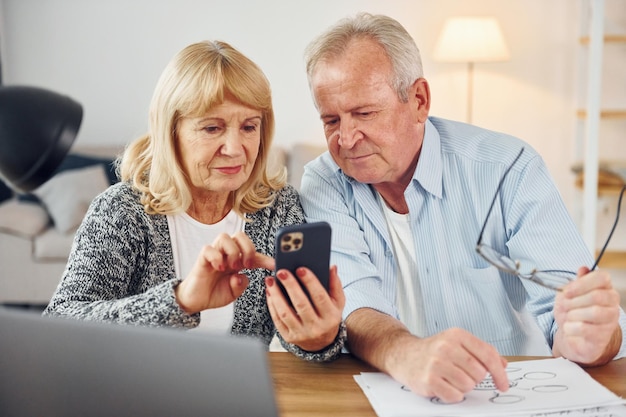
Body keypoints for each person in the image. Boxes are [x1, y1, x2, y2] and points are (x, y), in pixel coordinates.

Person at [299, 12, 626, 402]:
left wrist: (591, 339)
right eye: (331, 120)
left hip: (504, 395)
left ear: (419, 100)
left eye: (365, 113)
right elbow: (353, 304)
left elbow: (571, 312)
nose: (346, 138)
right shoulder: (322, 181)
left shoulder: (509, 167)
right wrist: (408, 353)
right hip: (378, 393)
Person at [43, 40, 346, 362]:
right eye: (212, 128)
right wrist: (181, 300)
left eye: (248, 127)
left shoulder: (278, 207)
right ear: (170, 131)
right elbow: (59, 328)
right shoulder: (121, 211)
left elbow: (298, 339)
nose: (234, 147)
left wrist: (320, 340)